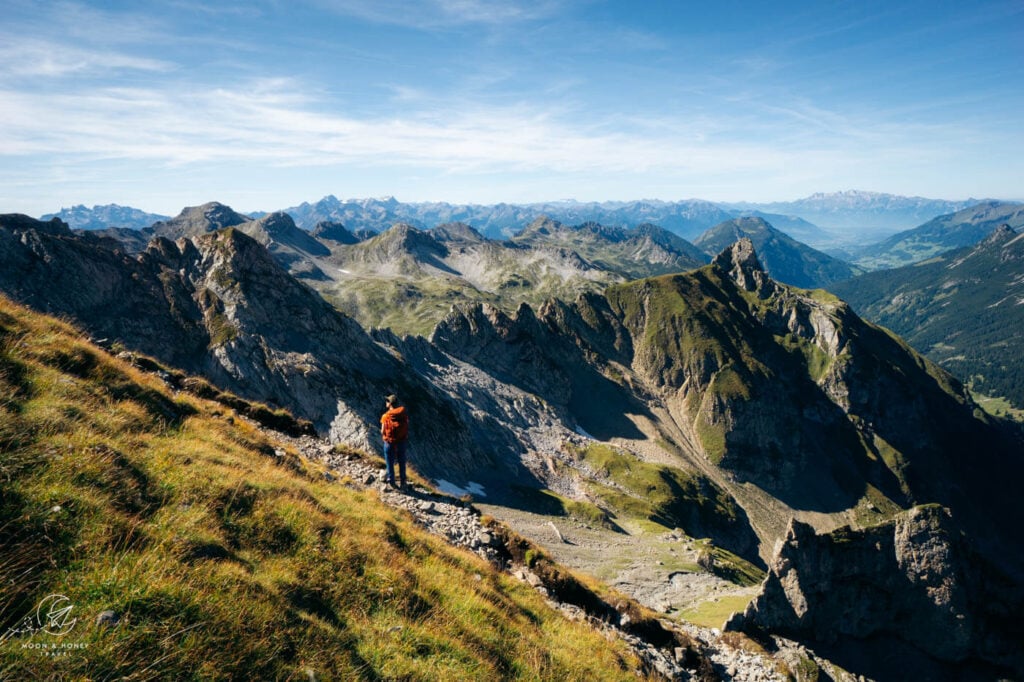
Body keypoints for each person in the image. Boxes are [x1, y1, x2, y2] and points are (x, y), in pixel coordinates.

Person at [380, 394, 409, 489]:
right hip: (401, 442)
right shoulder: (403, 414)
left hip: (389, 442)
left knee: (390, 462)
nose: (386, 402)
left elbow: (382, 430)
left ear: (390, 404)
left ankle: (391, 481)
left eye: (387, 401)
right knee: (402, 461)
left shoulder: (386, 416)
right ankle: (403, 482)